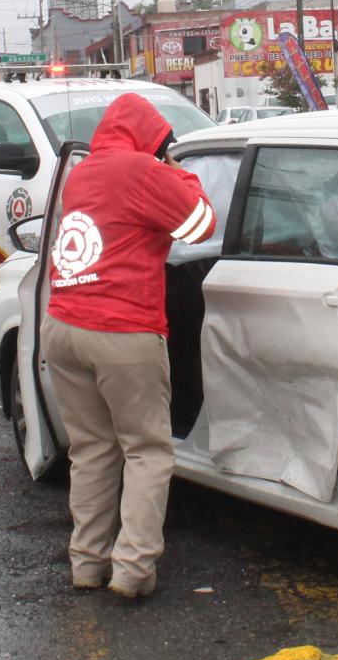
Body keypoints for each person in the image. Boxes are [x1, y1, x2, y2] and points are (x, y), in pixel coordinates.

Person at [42, 92, 215, 599]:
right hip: (122, 330)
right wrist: (178, 172)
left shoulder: (82, 174)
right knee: (146, 451)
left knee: (92, 450)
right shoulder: (142, 171)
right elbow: (200, 224)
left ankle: (87, 563)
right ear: (150, 139)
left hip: (63, 324)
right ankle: (133, 570)